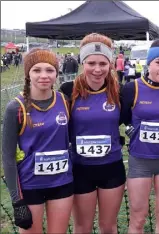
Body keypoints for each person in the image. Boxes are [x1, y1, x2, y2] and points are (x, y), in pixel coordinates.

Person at [59, 33, 126, 234]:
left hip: (112, 168)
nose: (97, 69)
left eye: (103, 63)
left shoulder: (119, 91)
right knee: (83, 227)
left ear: (110, 64)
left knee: (108, 227)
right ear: (82, 62)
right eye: (91, 63)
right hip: (80, 169)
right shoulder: (67, 90)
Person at [2, 48, 73, 233]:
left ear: (57, 73)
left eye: (50, 70)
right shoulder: (15, 108)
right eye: (37, 70)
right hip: (30, 186)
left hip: (62, 183)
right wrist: (17, 201)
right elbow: (8, 158)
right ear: (28, 74)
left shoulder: (64, 101)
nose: (44, 75)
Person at [121, 39, 159, 234]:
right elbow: (121, 119)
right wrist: (133, 132)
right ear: (149, 63)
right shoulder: (132, 88)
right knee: (138, 218)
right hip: (140, 161)